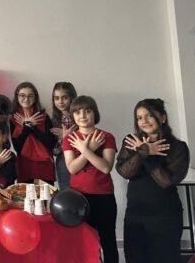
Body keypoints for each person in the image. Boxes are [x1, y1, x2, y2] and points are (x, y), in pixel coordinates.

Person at [116, 98, 190, 263]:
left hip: (165, 216)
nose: (144, 121)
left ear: (163, 117)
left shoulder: (178, 147)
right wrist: (143, 152)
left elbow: (166, 181)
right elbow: (125, 172)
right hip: (135, 214)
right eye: (139, 117)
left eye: (149, 115)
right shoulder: (132, 142)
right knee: (135, 258)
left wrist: (148, 155)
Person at [63, 95, 118, 263]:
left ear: (95, 113)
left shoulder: (107, 137)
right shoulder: (69, 139)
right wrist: (89, 150)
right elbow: (72, 168)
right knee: (85, 242)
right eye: (78, 112)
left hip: (104, 196)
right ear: (73, 115)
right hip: (78, 198)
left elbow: (106, 167)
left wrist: (85, 150)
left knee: (108, 241)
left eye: (87, 111)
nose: (83, 115)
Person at [11, 81, 56, 183]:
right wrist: (26, 127)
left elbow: (51, 144)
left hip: (44, 165)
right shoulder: (13, 119)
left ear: (35, 98)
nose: (26, 99)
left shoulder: (44, 117)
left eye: (30, 96)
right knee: (24, 193)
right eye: (22, 95)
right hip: (25, 165)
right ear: (17, 97)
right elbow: (17, 148)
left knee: (46, 193)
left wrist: (32, 127)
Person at [49, 82, 78, 190]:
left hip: (80, 157)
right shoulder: (54, 120)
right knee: (66, 191)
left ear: (72, 98)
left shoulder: (79, 116)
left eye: (64, 97)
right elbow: (54, 151)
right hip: (62, 160)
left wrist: (68, 136)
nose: (60, 101)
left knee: (83, 191)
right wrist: (65, 138)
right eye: (56, 98)